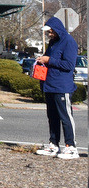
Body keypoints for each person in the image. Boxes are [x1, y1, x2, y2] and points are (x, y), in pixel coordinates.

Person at [34, 17, 79, 159]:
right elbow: (49, 59)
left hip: (62, 86)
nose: (49, 34)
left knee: (65, 117)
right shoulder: (53, 43)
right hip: (50, 85)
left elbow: (69, 65)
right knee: (52, 117)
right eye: (48, 32)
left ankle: (71, 147)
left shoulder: (69, 42)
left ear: (57, 29)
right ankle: (54, 144)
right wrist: (42, 59)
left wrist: (49, 60)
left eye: (51, 31)